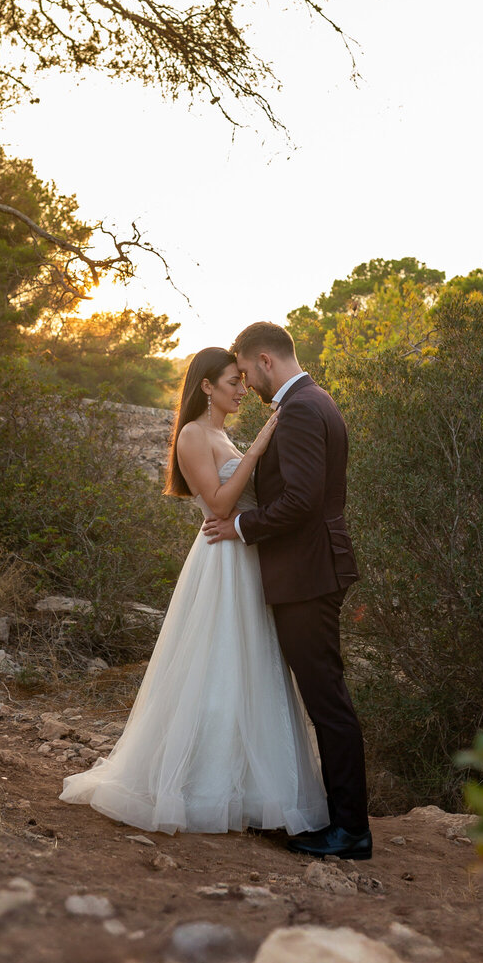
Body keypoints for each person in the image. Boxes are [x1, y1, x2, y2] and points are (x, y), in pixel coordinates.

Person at [58, 346, 330, 835]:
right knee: (217, 666)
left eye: (242, 381)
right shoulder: (191, 434)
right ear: (206, 386)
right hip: (220, 559)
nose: (242, 390)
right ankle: (201, 788)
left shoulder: (223, 434)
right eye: (232, 382)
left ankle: (252, 790)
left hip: (247, 559)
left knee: (253, 669)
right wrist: (260, 447)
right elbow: (221, 504)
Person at [200, 322, 369, 860]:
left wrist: (241, 528)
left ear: (266, 360)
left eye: (247, 373)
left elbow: (299, 500)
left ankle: (350, 830)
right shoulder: (317, 400)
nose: (247, 385)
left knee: (327, 702)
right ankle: (339, 821)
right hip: (314, 566)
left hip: (307, 571)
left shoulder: (298, 409)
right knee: (325, 698)